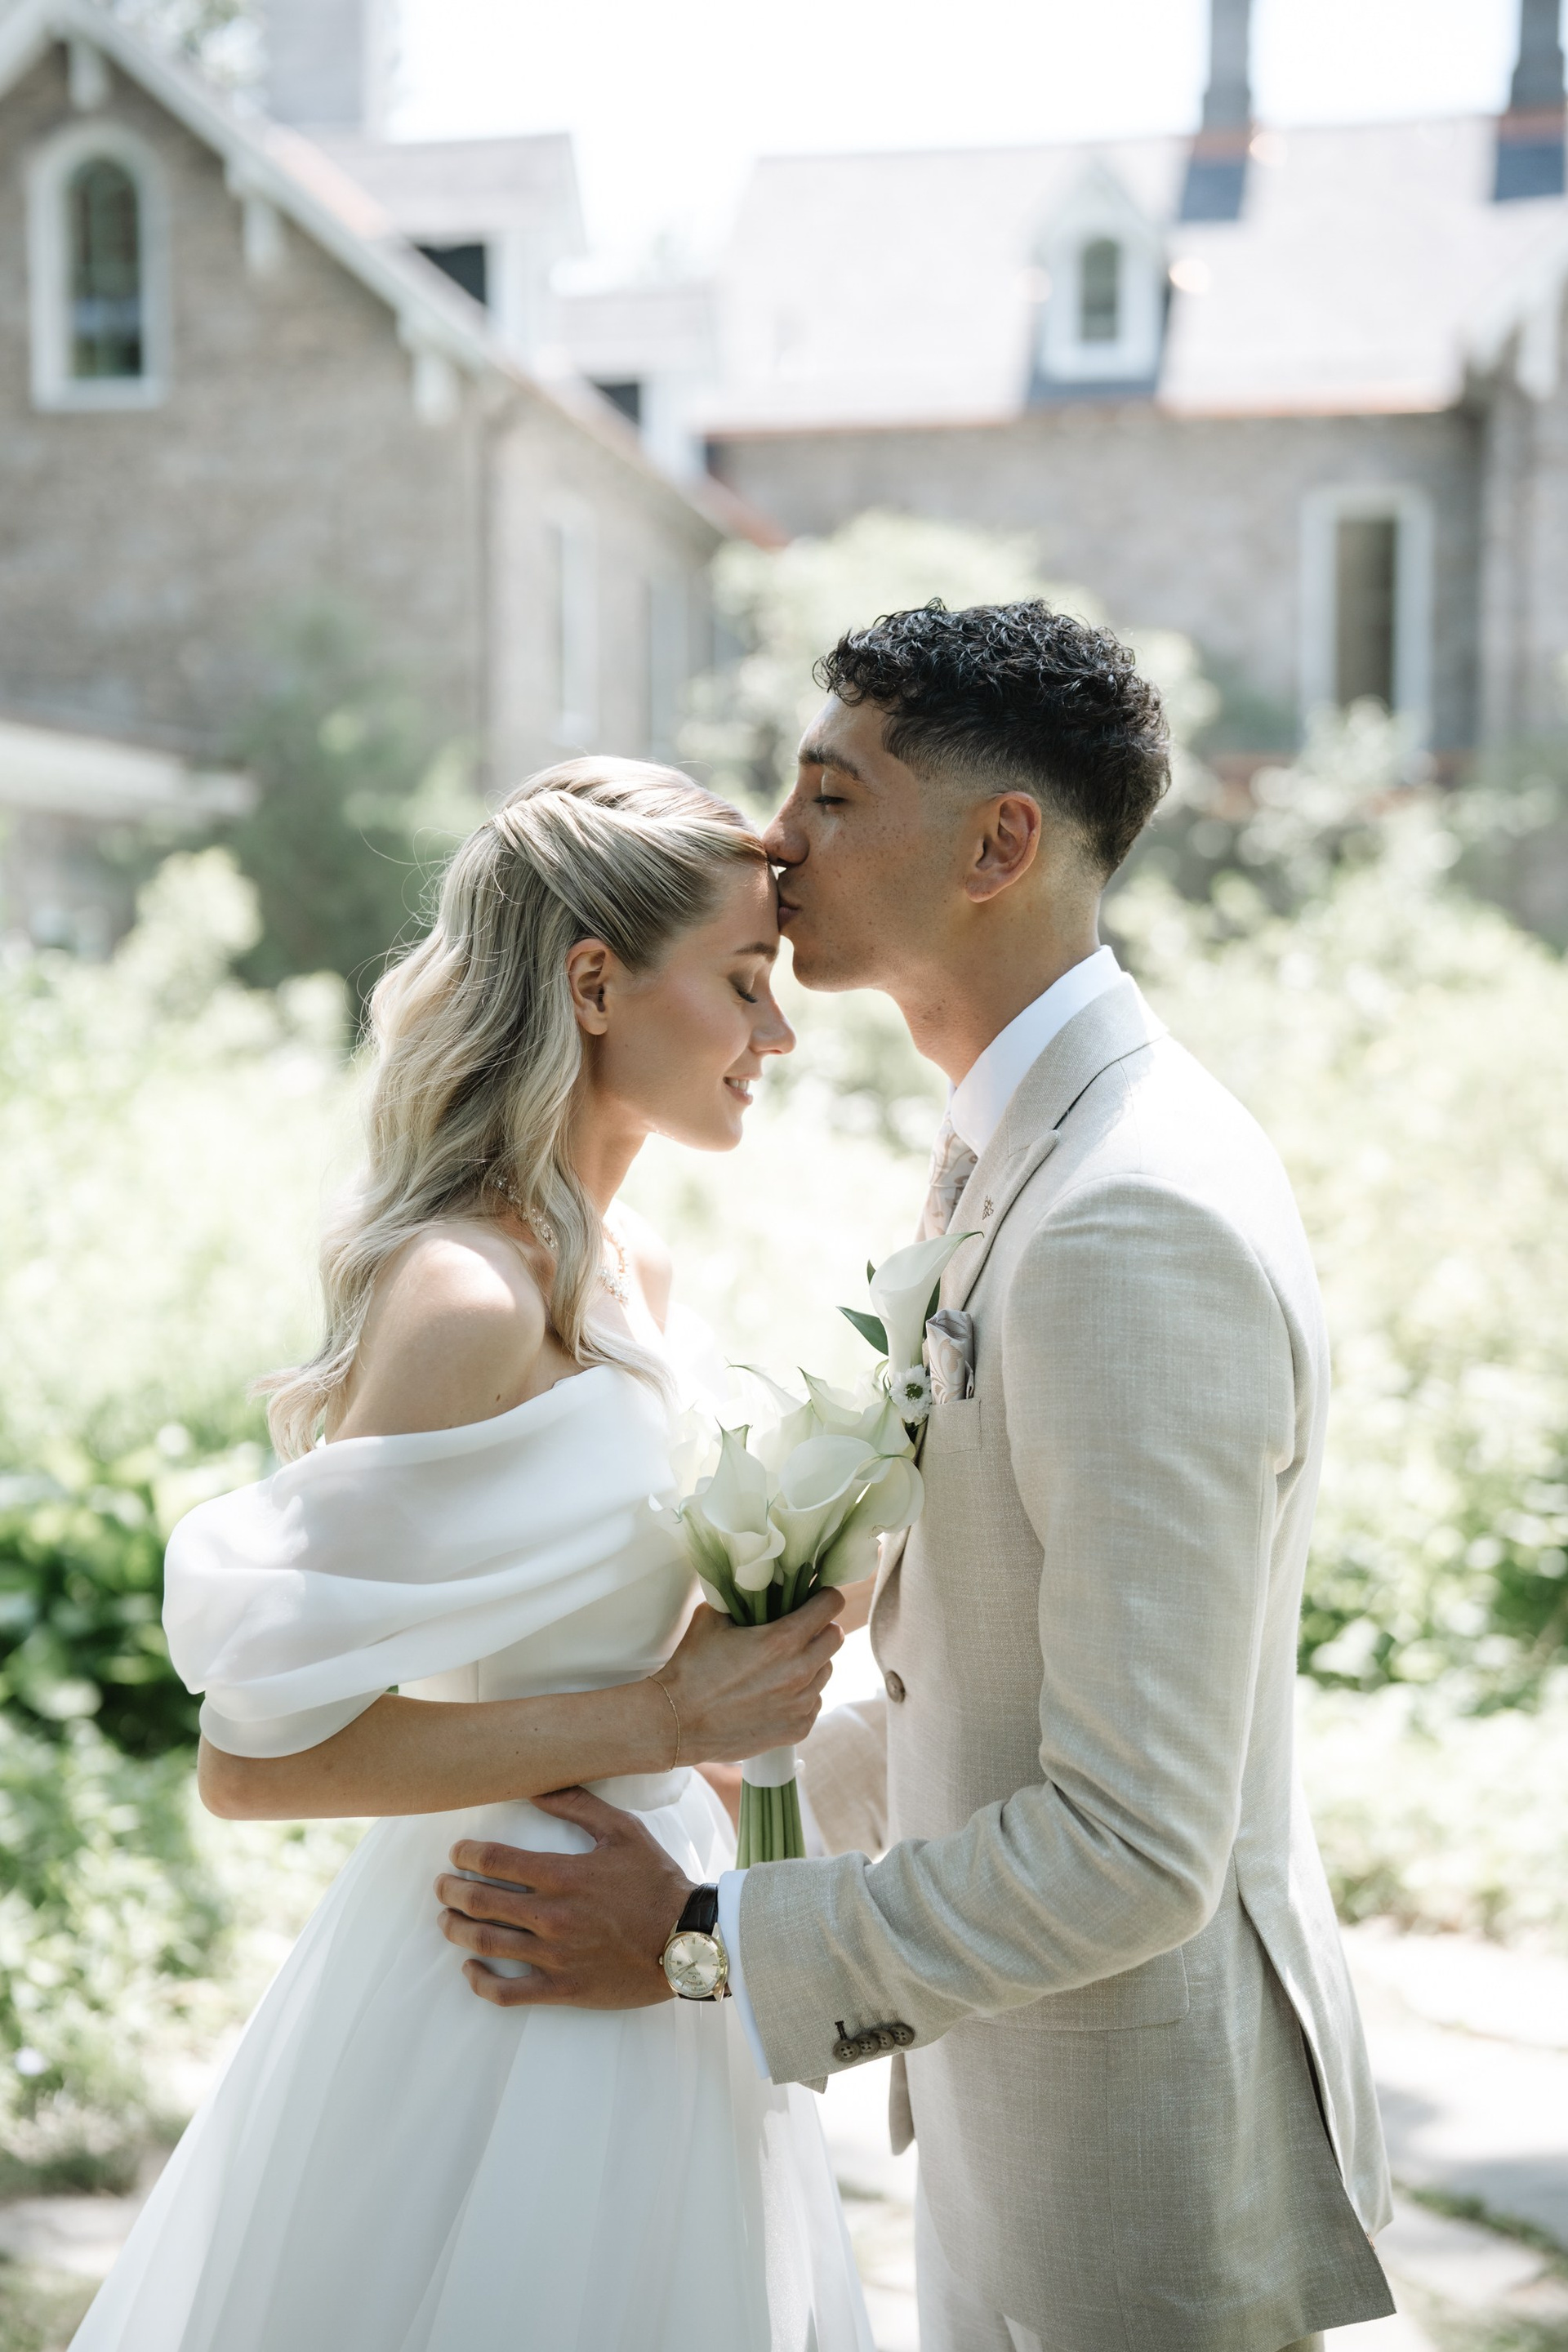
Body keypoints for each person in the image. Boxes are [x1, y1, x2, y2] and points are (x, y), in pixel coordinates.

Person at [436, 604, 1400, 2352]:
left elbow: (1136, 1841)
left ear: (998, 845)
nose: (773, 842)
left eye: (829, 795)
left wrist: (702, 1937)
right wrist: (729, 1764)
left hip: (1132, 2192)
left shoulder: (1128, 1216)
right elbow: (996, 1681)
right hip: (1007, 2119)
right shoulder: (1022, 1150)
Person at [69, 760, 871, 2352]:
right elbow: (254, 1762)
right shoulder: (465, 1297)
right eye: (742, 980)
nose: (777, 1033)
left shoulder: (635, 1266)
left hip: (653, 1928)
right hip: (497, 1950)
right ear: (596, 985)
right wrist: (663, 1718)